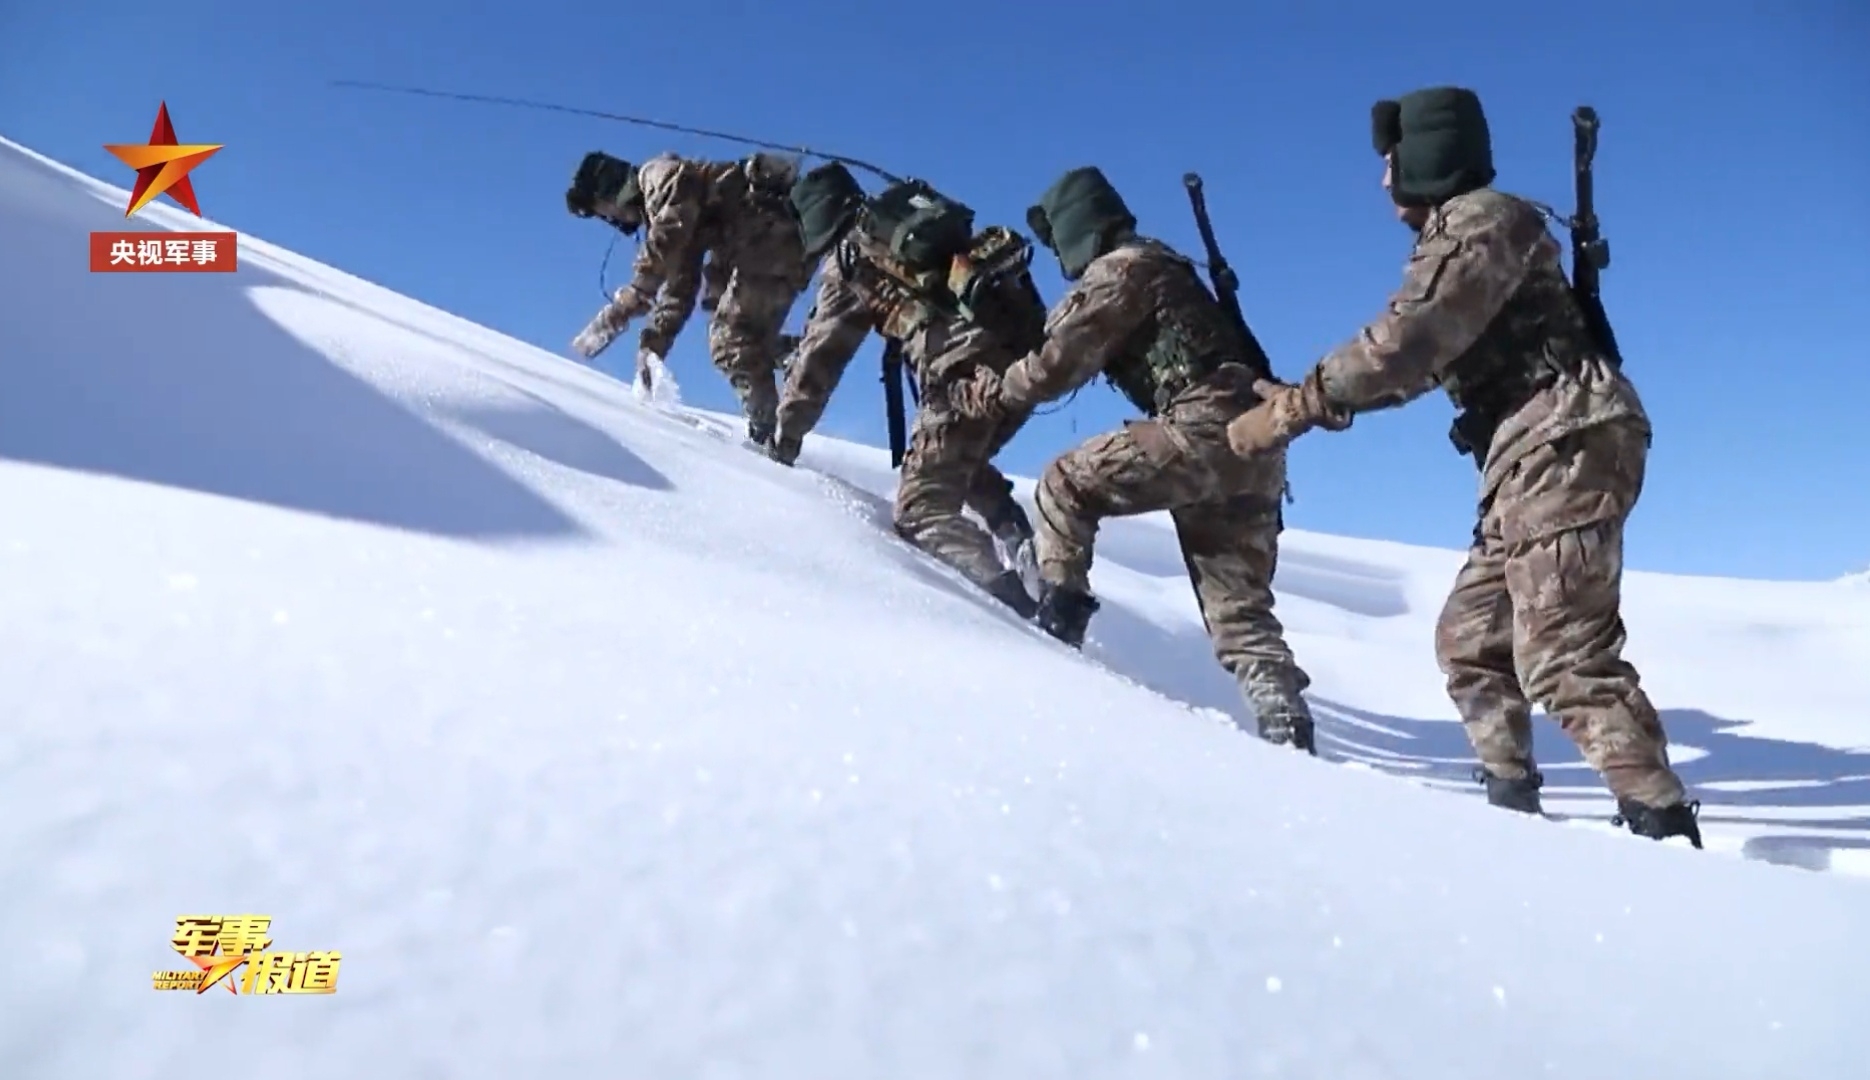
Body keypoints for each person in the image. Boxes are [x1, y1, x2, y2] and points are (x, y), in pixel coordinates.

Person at [1224, 86, 1701, 845]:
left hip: (1563, 438)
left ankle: (1667, 836)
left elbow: (1405, 346)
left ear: (1427, 158)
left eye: (1392, 160)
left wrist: (1287, 412)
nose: (1384, 180)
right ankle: (1513, 821)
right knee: (1471, 640)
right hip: (1528, 455)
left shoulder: (1482, 222)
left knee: (1565, 657)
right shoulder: (1470, 231)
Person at [948, 166, 1320, 752]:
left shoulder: (1120, 270)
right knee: (1241, 612)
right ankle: (1287, 727)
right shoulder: (1164, 264)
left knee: (1063, 484)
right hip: (1256, 444)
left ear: (1077, 228)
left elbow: (1053, 366)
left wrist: (993, 390)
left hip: (1202, 427)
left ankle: (1058, 627)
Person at [771, 162, 1044, 616]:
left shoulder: (851, 259)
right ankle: (1018, 538)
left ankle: (1016, 611)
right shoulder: (909, 233)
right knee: (957, 461)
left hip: (964, 376)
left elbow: (819, 361)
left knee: (922, 510)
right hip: (1025, 363)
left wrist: (785, 438)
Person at [564, 150, 812, 445]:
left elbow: (671, 230)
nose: (609, 218)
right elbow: (679, 289)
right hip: (771, 244)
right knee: (739, 340)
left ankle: (770, 434)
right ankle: (800, 356)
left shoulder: (658, 175)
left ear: (610, 192)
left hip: (770, 239)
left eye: (602, 209)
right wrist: (651, 348)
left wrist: (635, 293)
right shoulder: (664, 211)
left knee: (729, 341)